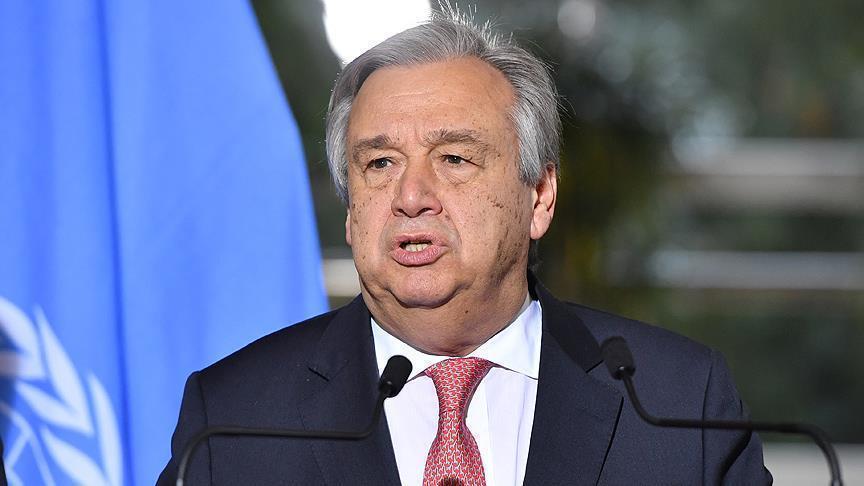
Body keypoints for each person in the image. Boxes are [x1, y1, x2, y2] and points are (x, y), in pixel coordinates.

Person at [158, 9, 771, 486]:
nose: (411, 196)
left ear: (539, 196)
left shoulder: (676, 402)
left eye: (453, 158)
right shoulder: (236, 419)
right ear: (350, 210)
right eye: (379, 164)